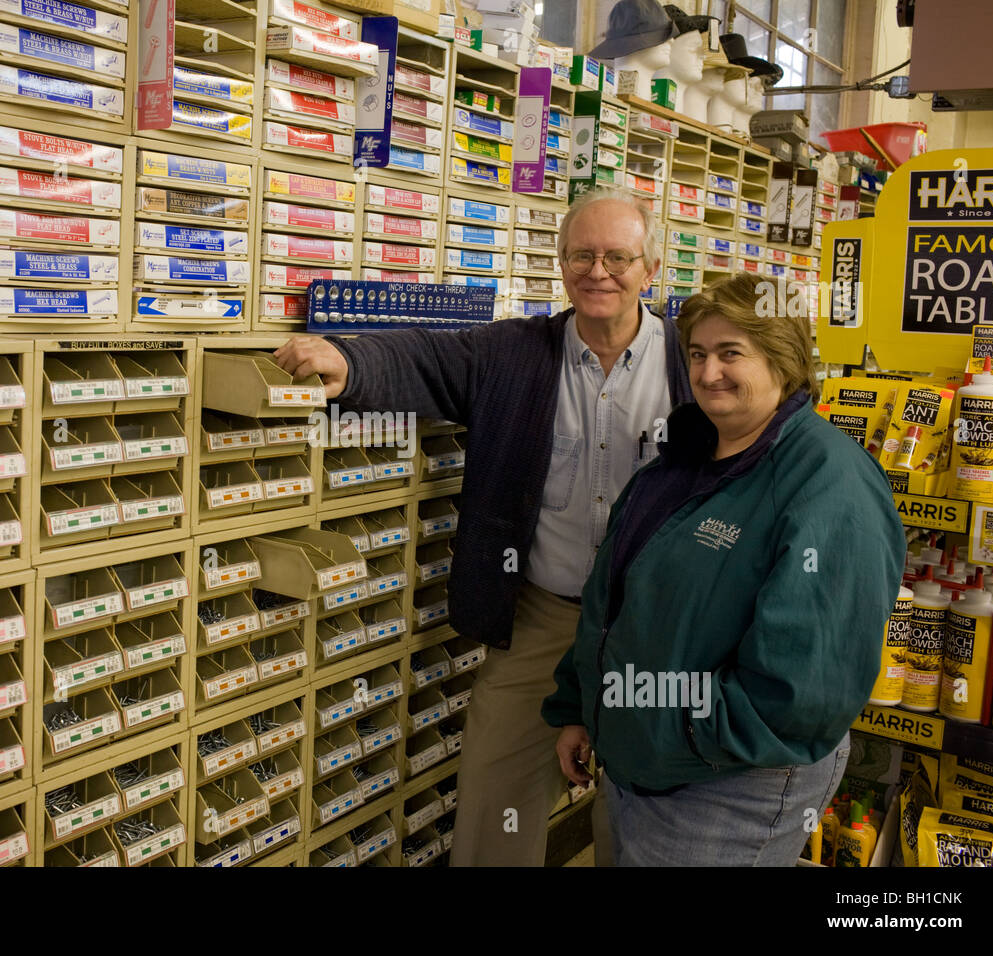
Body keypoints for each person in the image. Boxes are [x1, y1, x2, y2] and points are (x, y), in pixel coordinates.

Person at [273, 187, 692, 866]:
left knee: (646, 821)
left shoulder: (691, 364)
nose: (598, 271)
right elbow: (428, 360)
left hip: (659, 627)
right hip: (541, 621)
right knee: (493, 808)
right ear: (560, 266)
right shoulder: (516, 353)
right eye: (581, 255)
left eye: (618, 256)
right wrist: (347, 361)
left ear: (651, 270)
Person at [544, 272, 905, 865]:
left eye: (731, 354)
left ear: (782, 360)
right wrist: (586, 709)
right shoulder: (681, 461)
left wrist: (677, 733)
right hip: (648, 762)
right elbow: (615, 601)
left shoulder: (829, 483)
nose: (709, 373)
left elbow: (805, 687)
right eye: (698, 353)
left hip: (729, 786)